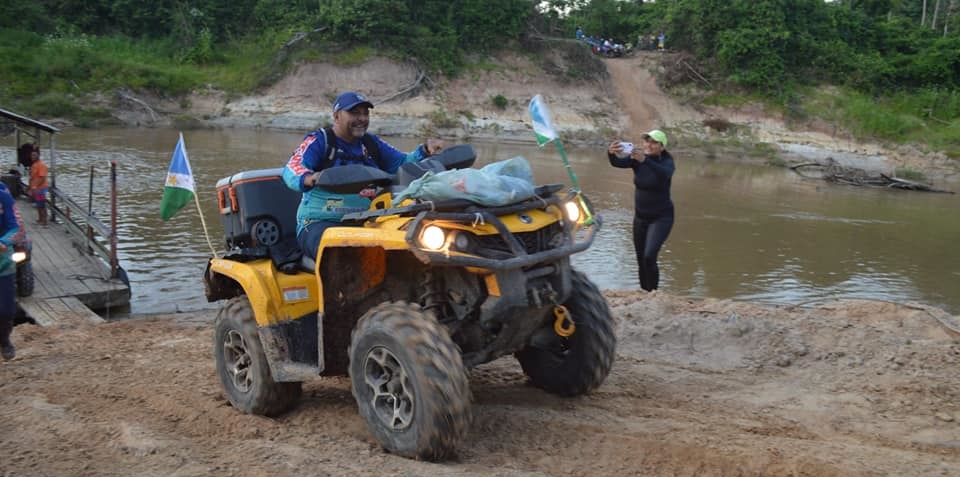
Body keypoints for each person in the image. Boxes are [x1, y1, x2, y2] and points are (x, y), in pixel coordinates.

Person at [282, 91, 444, 260]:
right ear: (337, 116)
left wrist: (424, 151)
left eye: (365, 113)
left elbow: (403, 164)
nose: (362, 118)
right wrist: (310, 178)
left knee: (407, 253)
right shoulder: (320, 141)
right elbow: (292, 168)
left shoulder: (371, 143)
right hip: (319, 223)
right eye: (354, 113)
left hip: (366, 222)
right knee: (343, 258)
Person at [607, 130, 675, 292]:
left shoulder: (667, 161)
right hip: (640, 218)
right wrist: (611, 153)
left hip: (661, 218)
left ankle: (654, 293)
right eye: (647, 141)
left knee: (649, 256)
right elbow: (617, 163)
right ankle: (645, 292)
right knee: (640, 259)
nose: (648, 145)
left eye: (653, 142)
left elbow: (664, 174)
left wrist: (645, 160)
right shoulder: (636, 159)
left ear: (662, 146)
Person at [0, 182, 24, 360]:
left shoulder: (3, 195)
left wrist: (5, 242)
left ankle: (5, 340)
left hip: (2, 262)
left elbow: (15, 226)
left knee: (7, 309)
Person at [26, 146, 48, 226]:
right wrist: (29, 187)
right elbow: (32, 177)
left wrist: (36, 186)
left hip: (40, 188)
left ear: (38, 156)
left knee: (42, 205)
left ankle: (45, 222)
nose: (32, 157)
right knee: (38, 205)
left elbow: (42, 178)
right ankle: (40, 219)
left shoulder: (41, 165)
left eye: (34, 155)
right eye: (32, 155)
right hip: (35, 189)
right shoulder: (34, 165)